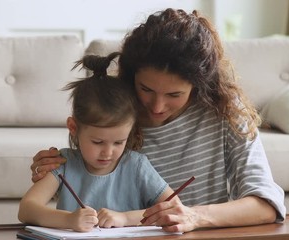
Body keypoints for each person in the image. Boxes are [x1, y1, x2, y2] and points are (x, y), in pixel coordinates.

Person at [30, 8, 286, 233]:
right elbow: (83, 176)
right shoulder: (118, 111)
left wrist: (194, 216)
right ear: (132, 77)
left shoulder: (225, 111)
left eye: (175, 94)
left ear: (198, 87)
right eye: (146, 89)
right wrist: (52, 168)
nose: (157, 106)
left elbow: (266, 205)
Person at [18, 52, 177, 232]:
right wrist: (68, 219)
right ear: (73, 127)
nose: (108, 152)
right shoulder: (64, 163)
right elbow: (26, 209)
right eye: (98, 142)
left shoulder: (137, 165)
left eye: (118, 142)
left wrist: (125, 218)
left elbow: (174, 208)